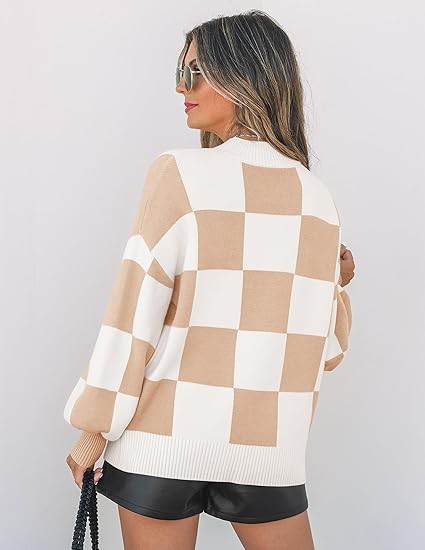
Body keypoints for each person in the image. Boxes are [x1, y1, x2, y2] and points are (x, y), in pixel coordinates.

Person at [64, 10, 355, 550]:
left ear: (243, 76)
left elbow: (133, 314)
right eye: (182, 72)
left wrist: (94, 430)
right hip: (266, 452)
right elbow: (329, 351)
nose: (181, 86)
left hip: (162, 444)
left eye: (194, 72)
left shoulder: (178, 174)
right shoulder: (317, 197)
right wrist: (336, 286)